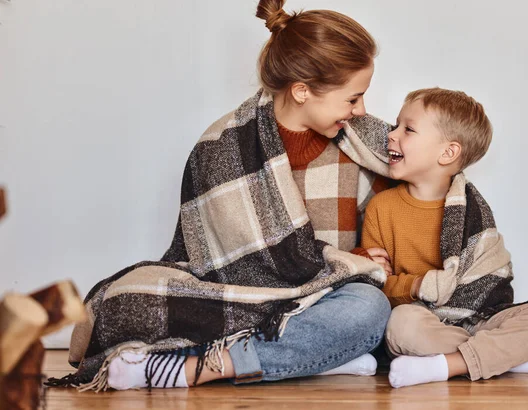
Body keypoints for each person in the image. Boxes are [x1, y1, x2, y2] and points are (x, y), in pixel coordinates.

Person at [51, 0, 395, 392]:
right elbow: (213, 265)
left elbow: (416, 203)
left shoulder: (366, 146)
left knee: (368, 310)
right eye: (353, 98)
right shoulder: (221, 147)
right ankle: (314, 358)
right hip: (234, 296)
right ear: (302, 91)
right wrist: (344, 263)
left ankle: (195, 368)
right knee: (125, 300)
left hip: (323, 301)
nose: (362, 110)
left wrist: (359, 262)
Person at [361, 87, 528, 388]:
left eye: (408, 129)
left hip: (483, 315)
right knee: (400, 325)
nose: (392, 135)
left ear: (448, 153)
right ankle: (510, 357)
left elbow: (486, 271)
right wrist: (418, 285)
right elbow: (377, 284)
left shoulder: (472, 210)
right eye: (396, 126)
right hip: (426, 319)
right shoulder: (382, 207)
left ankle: (449, 365)